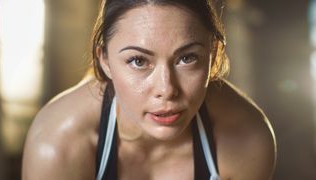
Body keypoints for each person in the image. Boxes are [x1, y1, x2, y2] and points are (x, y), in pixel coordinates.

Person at [22, 0, 276, 179]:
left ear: (215, 55)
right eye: (139, 61)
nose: (166, 89)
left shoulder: (246, 138)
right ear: (105, 60)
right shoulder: (58, 143)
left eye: (187, 58)